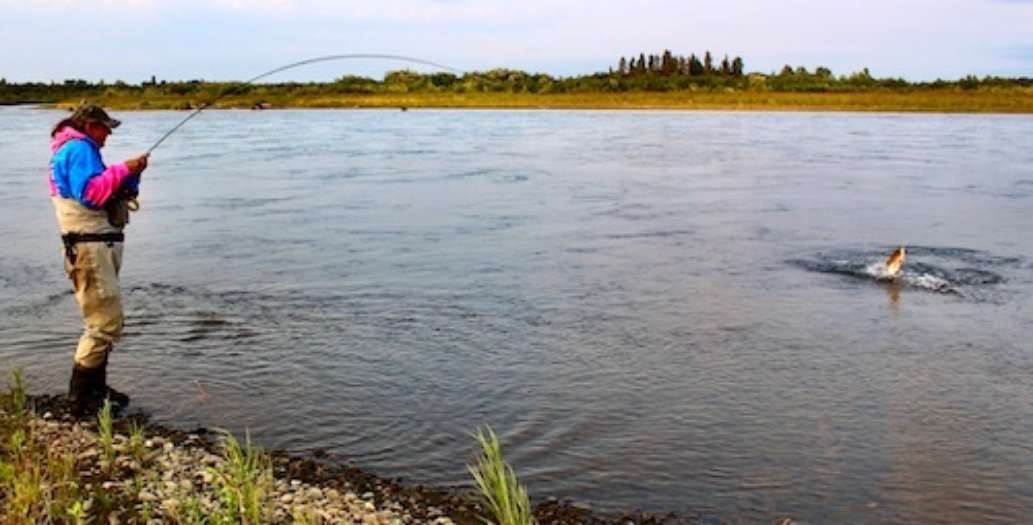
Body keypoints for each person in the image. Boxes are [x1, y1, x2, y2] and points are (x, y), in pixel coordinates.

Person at [49, 102, 149, 416]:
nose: (108, 134)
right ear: (90, 125)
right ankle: (81, 399)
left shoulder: (81, 149)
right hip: (90, 249)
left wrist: (132, 175)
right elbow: (91, 194)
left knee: (103, 321)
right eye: (105, 128)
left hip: (96, 248)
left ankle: (95, 390)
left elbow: (108, 190)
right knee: (104, 323)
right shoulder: (78, 149)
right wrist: (124, 168)